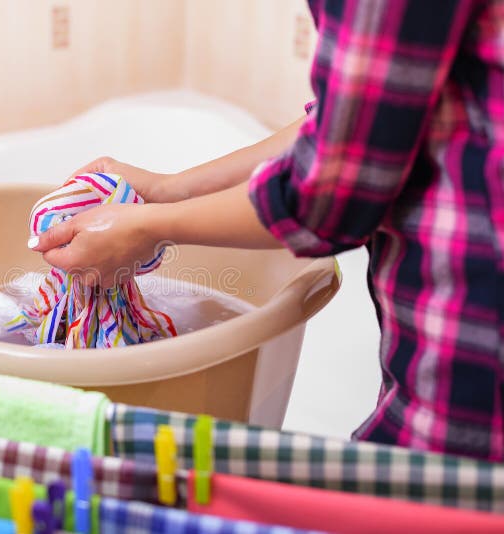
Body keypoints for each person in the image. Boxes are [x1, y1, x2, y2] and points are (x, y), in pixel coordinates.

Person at [29, 1, 504, 461]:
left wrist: (150, 229)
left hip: (477, 321)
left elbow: (330, 192)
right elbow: (340, 122)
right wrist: (169, 191)